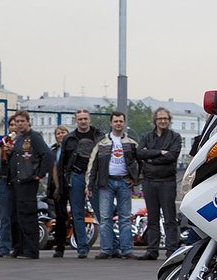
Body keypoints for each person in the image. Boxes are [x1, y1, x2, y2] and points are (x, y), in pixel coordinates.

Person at [87, 112, 139, 260]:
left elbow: (140, 162)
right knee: (105, 218)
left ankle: (127, 250)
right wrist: (89, 185)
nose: (118, 124)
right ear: (111, 123)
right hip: (106, 183)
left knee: (125, 218)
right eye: (116, 121)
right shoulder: (102, 143)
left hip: (124, 182)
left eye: (120, 121)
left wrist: (135, 179)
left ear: (124, 123)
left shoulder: (131, 143)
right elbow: (92, 165)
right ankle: (106, 250)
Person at [135, 107, 182, 260]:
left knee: (170, 218)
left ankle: (172, 250)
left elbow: (172, 156)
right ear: (154, 120)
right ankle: (152, 250)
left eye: (165, 118)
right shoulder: (147, 136)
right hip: (149, 181)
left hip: (167, 182)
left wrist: (150, 158)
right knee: (152, 218)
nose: (163, 121)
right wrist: (160, 152)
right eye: (160, 118)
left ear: (169, 120)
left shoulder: (175, 137)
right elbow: (139, 153)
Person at [57, 109, 104, 258]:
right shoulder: (69, 138)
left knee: (101, 212)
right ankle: (82, 248)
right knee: (77, 213)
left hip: (94, 177)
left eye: (85, 118)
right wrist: (63, 182)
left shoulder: (99, 136)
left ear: (89, 119)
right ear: (76, 121)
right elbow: (62, 161)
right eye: (80, 119)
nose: (83, 121)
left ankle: (109, 246)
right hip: (76, 176)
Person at [7, 111, 52, 259]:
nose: (19, 124)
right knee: (16, 216)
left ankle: (31, 250)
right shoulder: (18, 138)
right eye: (17, 121)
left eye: (22, 121)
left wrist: (40, 174)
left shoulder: (34, 137)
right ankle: (19, 248)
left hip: (27, 181)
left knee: (27, 216)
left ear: (28, 121)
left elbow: (47, 155)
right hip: (16, 182)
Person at [48, 125, 69, 258]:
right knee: (60, 216)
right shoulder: (53, 150)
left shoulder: (72, 148)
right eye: (58, 133)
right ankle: (59, 246)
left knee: (77, 214)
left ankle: (81, 245)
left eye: (63, 133)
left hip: (70, 185)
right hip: (57, 187)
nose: (60, 135)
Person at [0, 117, 16, 258]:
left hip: (20, 181)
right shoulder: (2, 142)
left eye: (17, 123)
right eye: (12, 124)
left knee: (18, 216)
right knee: (5, 216)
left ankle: (18, 246)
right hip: (4, 180)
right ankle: (4, 247)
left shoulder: (26, 141)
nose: (14, 126)